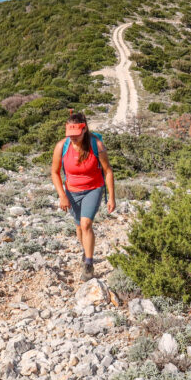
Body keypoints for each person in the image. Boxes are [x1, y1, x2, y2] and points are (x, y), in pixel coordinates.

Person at [51, 111, 116, 281]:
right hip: (71, 191)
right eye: (69, 135)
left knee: (86, 224)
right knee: (79, 226)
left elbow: (108, 171)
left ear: (84, 129)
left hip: (93, 188)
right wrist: (62, 195)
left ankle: (88, 263)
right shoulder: (61, 146)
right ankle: (85, 249)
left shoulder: (97, 146)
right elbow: (55, 172)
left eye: (76, 135)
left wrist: (111, 197)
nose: (72, 138)